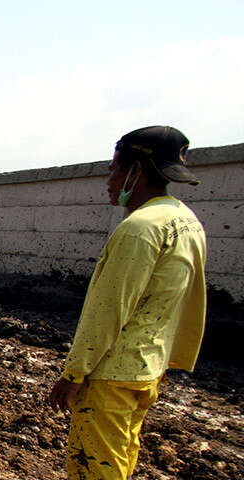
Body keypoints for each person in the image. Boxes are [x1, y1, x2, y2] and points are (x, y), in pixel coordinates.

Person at [48, 126, 207, 480]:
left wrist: (74, 373)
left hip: (111, 373)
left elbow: (110, 308)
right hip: (149, 367)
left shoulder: (139, 228)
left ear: (135, 171)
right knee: (120, 453)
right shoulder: (186, 221)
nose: (110, 180)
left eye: (113, 170)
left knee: (95, 466)